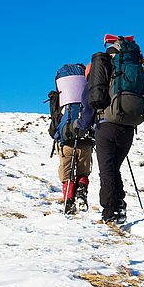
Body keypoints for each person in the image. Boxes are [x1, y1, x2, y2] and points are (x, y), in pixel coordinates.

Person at [79, 34, 144, 224]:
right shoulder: (138, 65)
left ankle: (110, 213)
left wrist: (84, 124)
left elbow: (88, 99)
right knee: (114, 168)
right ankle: (119, 205)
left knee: (107, 170)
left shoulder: (102, 64)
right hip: (129, 126)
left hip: (105, 124)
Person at [49, 63, 95, 215]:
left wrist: (57, 135)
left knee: (66, 172)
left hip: (65, 138)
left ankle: (69, 202)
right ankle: (82, 191)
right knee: (83, 171)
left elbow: (55, 120)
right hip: (85, 138)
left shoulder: (62, 97)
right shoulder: (88, 89)